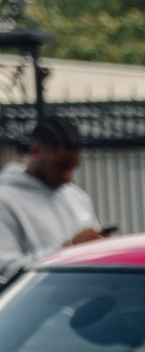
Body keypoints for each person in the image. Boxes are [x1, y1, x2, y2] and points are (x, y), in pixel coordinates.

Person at [0, 112, 103, 268]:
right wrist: (67, 250)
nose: (68, 175)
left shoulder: (77, 196)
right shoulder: (5, 201)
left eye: (73, 167)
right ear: (36, 151)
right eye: (61, 166)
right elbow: (6, 269)